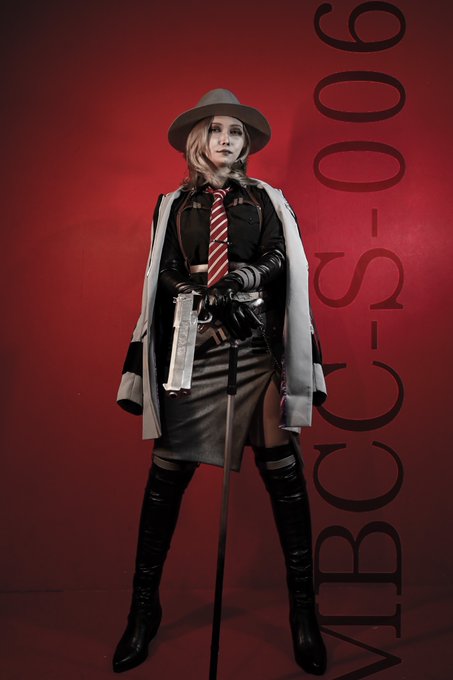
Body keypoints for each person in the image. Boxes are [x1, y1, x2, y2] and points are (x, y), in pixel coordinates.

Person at [113, 89, 328, 676]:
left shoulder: (267, 199)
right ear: (198, 142)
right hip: (195, 343)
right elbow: (163, 270)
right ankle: (143, 609)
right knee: (167, 472)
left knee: (281, 466)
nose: (227, 139)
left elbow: (283, 255)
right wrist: (195, 289)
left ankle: (304, 612)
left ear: (245, 143)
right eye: (216, 130)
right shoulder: (172, 204)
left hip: (254, 344)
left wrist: (247, 278)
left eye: (235, 131)